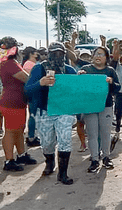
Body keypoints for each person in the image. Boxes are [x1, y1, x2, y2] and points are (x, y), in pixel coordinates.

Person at [25, 42, 77, 184]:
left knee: (65, 140)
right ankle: (49, 163)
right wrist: (40, 83)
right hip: (44, 110)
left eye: (60, 53)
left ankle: (63, 174)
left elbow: (77, 90)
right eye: (54, 53)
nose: (57, 56)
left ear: (64, 54)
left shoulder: (69, 70)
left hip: (64, 111)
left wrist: (79, 78)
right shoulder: (38, 69)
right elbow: (27, 89)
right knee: (47, 142)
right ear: (48, 54)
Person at [79, 46, 120, 172]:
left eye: (101, 54)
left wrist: (111, 82)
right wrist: (79, 77)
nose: (98, 56)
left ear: (106, 58)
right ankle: (94, 159)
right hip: (90, 106)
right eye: (96, 54)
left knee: (105, 133)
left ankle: (106, 157)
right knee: (92, 134)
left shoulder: (110, 70)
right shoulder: (86, 69)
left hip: (106, 105)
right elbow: (78, 87)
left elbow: (118, 88)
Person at [0, 37, 37, 171]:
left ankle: (21, 154)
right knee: (10, 131)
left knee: (19, 130)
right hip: (12, 102)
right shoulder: (9, 63)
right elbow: (26, 79)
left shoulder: (8, 62)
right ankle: (9, 160)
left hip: (16, 101)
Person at [22, 46, 41, 148]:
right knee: (33, 115)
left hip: (34, 93)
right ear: (31, 53)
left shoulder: (30, 64)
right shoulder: (30, 65)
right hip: (34, 93)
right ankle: (31, 137)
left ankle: (32, 136)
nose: (37, 54)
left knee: (33, 115)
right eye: (35, 52)